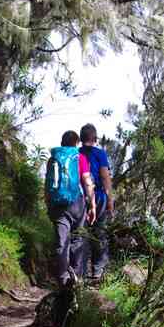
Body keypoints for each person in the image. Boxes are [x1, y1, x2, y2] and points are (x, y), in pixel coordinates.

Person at [44, 130, 96, 288]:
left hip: (58, 205)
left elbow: (47, 185)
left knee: (62, 241)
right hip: (76, 204)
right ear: (76, 143)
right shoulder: (79, 157)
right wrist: (92, 205)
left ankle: (63, 278)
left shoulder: (53, 159)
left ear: (62, 142)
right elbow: (87, 182)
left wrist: (48, 203)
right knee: (78, 239)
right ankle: (77, 278)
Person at [79, 123, 113, 282]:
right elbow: (105, 176)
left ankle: (82, 271)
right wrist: (110, 199)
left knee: (82, 233)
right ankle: (98, 271)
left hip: (79, 198)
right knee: (100, 232)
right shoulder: (100, 154)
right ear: (95, 138)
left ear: (81, 138)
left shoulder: (76, 153)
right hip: (98, 196)